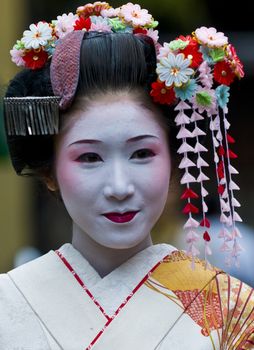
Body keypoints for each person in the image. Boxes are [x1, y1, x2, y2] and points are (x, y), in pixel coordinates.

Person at [1, 2, 253, 349]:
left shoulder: (233, 314)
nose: (119, 187)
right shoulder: (8, 304)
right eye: (89, 157)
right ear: (50, 171)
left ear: (175, 161)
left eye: (142, 154)